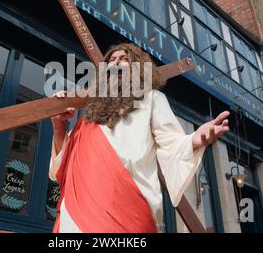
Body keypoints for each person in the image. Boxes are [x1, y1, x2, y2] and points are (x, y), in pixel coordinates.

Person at [49, 43, 230, 233]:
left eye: (124, 59)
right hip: (80, 210)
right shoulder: (90, 114)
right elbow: (61, 167)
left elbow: (172, 141)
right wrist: (58, 124)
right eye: (112, 60)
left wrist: (195, 138)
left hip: (129, 206)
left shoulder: (152, 98)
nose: (116, 63)